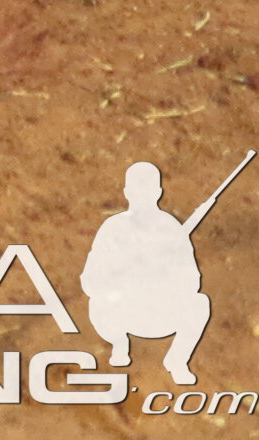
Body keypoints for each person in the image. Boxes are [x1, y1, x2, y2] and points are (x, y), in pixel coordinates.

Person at [81, 160, 212, 385]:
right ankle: (120, 344)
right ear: (127, 192)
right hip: (121, 312)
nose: (142, 196)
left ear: (158, 192)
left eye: (147, 190)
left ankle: (177, 360)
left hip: (159, 311)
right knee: (99, 302)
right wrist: (122, 277)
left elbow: (192, 281)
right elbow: (90, 279)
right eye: (137, 190)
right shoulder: (113, 229)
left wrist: (163, 274)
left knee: (200, 304)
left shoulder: (171, 229)